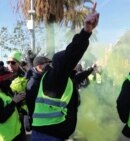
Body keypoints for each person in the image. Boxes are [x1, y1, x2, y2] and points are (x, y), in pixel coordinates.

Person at [31, 3, 99, 141]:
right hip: (48, 136)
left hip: (50, 133)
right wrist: (86, 31)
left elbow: (79, 77)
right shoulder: (55, 77)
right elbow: (71, 55)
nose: (75, 64)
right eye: (71, 63)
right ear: (63, 64)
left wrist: (91, 69)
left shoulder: (64, 78)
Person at [25, 56, 52, 129]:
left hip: (46, 119)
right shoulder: (32, 84)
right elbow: (30, 106)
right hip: (38, 122)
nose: (50, 67)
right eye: (47, 65)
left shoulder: (44, 77)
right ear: (39, 67)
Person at [0, 68, 26, 141]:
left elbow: (13, 108)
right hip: (8, 137)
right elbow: (1, 118)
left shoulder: (6, 91)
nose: (10, 81)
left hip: (18, 131)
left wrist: (20, 99)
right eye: (8, 79)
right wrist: (14, 101)